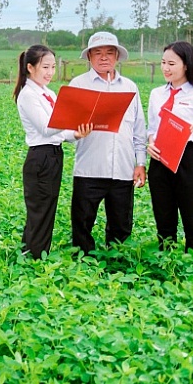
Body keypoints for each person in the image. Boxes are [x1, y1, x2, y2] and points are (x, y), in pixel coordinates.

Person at [69, 32, 148, 253]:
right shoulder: (78, 84)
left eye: (109, 53)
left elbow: (138, 130)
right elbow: (64, 126)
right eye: (98, 53)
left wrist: (140, 163)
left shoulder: (130, 87)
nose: (104, 57)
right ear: (89, 57)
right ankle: (83, 262)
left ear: (117, 57)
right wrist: (76, 132)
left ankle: (117, 261)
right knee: (82, 222)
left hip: (122, 168)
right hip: (89, 168)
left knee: (121, 224)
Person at [14, 45, 92, 258]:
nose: (50, 72)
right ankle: (37, 257)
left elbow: (60, 132)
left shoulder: (48, 93)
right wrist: (73, 115)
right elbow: (46, 127)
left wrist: (76, 134)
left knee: (46, 208)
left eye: (53, 67)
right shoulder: (28, 94)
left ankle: (30, 253)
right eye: (45, 67)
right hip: (40, 157)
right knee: (40, 211)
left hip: (54, 154)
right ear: (30, 67)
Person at [147, 41, 193, 255]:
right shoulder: (156, 94)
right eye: (163, 63)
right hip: (160, 160)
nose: (165, 68)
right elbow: (152, 128)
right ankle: (166, 261)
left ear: (186, 65)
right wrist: (150, 143)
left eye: (172, 63)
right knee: (163, 218)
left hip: (188, 159)